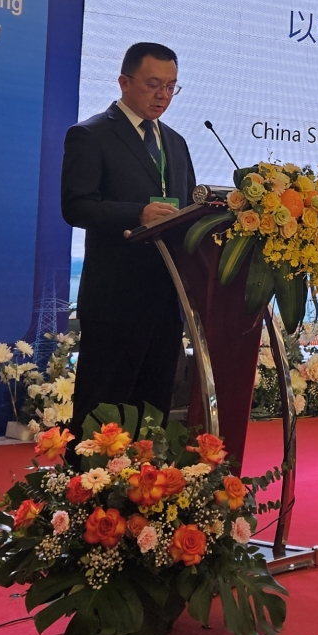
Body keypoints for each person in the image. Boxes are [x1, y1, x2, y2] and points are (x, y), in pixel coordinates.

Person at [61, 42, 197, 428]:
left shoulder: (175, 143)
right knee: (103, 409)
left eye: (170, 86)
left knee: (152, 410)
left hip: (165, 297)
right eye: (153, 84)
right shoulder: (91, 135)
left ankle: (146, 469)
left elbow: (188, 206)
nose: (163, 95)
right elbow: (76, 206)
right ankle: (93, 470)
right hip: (115, 298)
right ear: (124, 82)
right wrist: (137, 213)